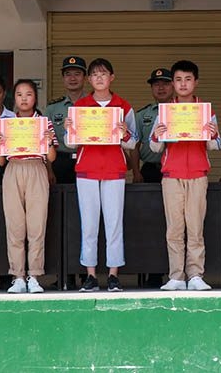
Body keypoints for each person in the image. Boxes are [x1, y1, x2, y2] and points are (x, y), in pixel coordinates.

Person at [65, 58, 137, 292]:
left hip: (114, 170)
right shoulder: (80, 106)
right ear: (89, 79)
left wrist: (125, 134)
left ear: (111, 77)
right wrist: (69, 129)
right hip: (87, 169)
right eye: (94, 74)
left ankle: (113, 274)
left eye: (103, 74)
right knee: (89, 224)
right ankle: (91, 275)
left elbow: (133, 142)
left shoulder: (123, 106)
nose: (99, 78)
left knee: (114, 223)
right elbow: (69, 143)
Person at [149, 60, 220, 291]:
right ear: (173, 83)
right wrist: (157, 134)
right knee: (174, 228)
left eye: (188, 79)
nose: (183, 84)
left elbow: (216, 145)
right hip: (171, 175)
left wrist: (211, 134)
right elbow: (154, 147)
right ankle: (176, 276)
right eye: (178, 79)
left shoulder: (206, 111)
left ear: (195, 82)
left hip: (197, 174)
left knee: (195, 227)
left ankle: (196, 274)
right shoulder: (165, 111)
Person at [0, 79, 58, 294]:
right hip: (13, 169)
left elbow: (51, 157)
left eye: (28, 94)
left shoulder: (43, 122)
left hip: (36, 168)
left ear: (35, 98)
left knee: (36, 225)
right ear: (14, 98)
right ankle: (18, 276)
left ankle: (34, 275)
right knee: (15, 226)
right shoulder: (6, 123)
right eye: (19, 94)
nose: (24, 99)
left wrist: (49, 141)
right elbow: (0, 162)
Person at [46, 56, 88, 185]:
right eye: (68, 74)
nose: (72, 78)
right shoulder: (52, 108)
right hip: (60, 162)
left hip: (87, 159)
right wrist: (49, 170)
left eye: (77, 74)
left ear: (85, 78)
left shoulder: (94, 106)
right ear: (63, 78)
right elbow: (46, 142)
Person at [130, 68, 174, 184]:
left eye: (165, 84)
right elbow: (134, 146)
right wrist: (136, 172)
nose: (161, 88)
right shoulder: (142, 114)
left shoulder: (183, 112)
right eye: (156, 84)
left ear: (174, 86)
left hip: (176, 168)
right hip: (150, 170)